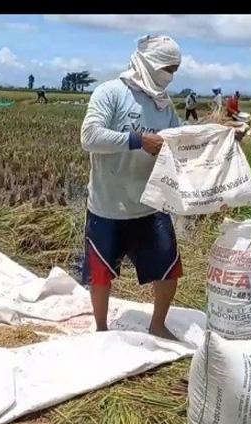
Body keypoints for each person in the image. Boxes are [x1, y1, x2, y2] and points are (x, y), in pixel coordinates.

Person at [79, 34, 183, 340]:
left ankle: (158, 324)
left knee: (168, 268)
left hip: (150, 204)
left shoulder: (164, 105)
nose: (171, 76)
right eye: (168, 68)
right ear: (149, 63)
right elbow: (89, 137)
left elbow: (181, 139)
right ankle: (100, 329)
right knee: (101, 274)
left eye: (176, 70)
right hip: (108, 205)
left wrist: (219, 138)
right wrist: (137, 140)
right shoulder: (110, 93)